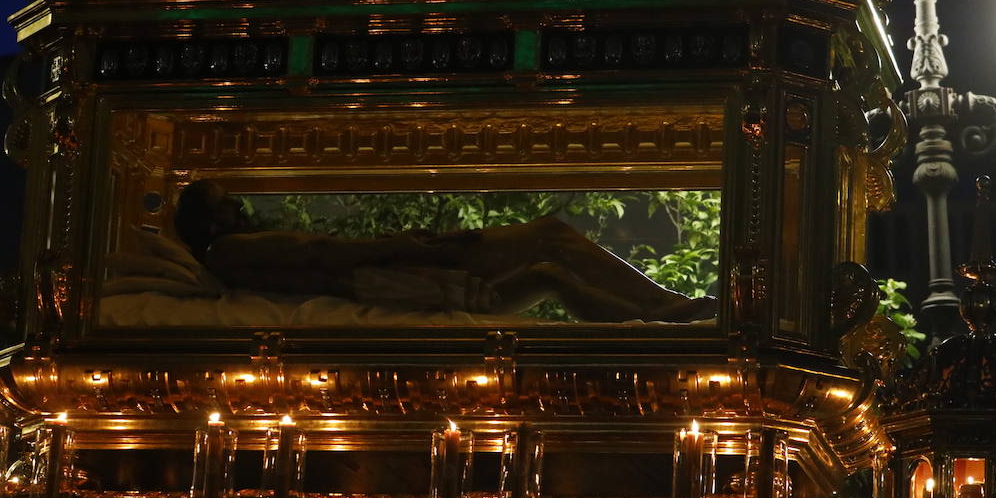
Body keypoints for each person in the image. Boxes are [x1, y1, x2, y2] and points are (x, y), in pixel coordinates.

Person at [173, 179, 716, 323]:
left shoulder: (234, 249)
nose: (239, 204)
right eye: (225, 202)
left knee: (551, 269)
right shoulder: (230, 251)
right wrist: (396, 247)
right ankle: (661, 305)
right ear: (209, 221)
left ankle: (654, 315)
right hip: (393, 273)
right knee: (548, 237)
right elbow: (318, 251)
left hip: (394, 270)